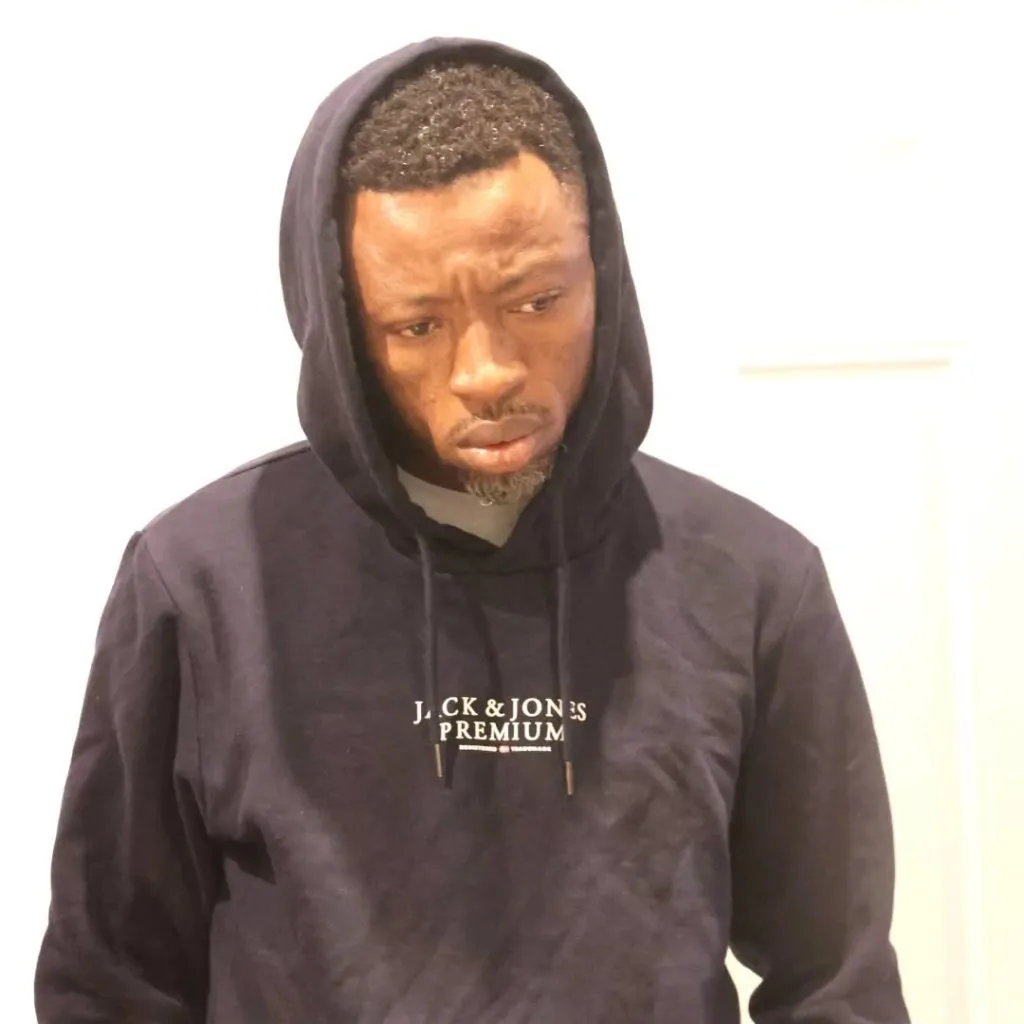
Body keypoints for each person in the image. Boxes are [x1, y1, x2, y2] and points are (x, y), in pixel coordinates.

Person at [35, 37, 910, 1024]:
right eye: (417, 325)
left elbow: (835, 983)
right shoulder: (201, 585)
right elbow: (109, 984)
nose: (486, 371)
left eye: (536, 300)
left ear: (602, 275)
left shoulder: (753, 582)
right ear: (341, 323)